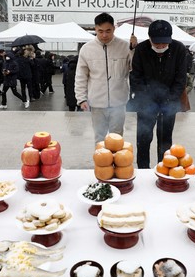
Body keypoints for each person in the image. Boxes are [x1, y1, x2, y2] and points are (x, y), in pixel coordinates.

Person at [130, 19, 187, 168]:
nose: (161, 46)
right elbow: (135, 77)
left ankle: (164, 168)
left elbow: (180, 79)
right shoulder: (141, 49)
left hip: (169, 102)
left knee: (165, 139)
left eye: (164, 43)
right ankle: (143, 168)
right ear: (150, 39)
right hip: (146, 103)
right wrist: (146, 98)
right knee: (143, 138)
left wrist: (170, 98)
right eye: (157, 44)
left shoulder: (179, 49)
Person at [75, 12, 137, 144]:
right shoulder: (86, 49)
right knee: (99, 138)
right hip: (96, 103)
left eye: (108, 31)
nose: (104, 35)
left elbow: (135, 69)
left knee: (117, 138)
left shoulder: (125, 47)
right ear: (95, 29)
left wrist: (133, 50)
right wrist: (81, 99)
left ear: (114, 28)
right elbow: (81, 76)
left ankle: (118, 163)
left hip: (118, 103)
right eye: (100, 31)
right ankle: (101, 163)